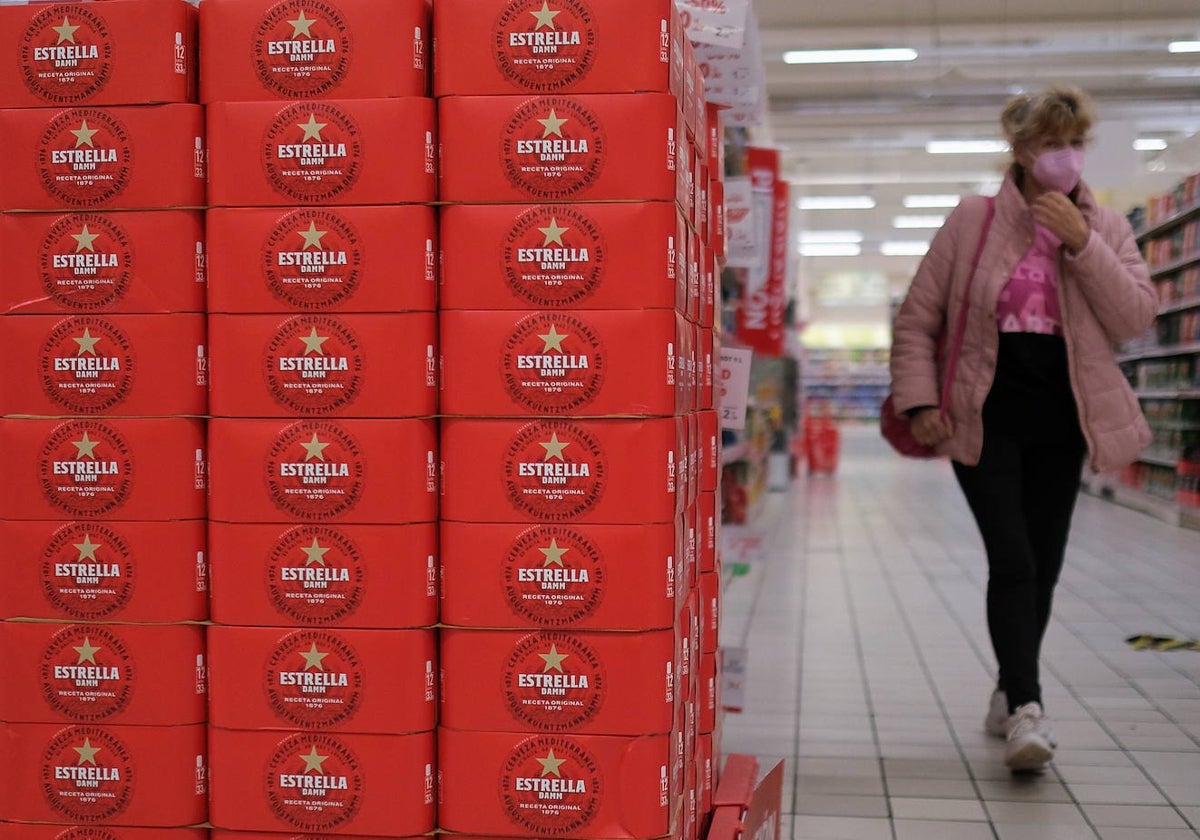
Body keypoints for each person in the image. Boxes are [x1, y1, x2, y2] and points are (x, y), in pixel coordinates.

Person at [888, 85, 1156, 771]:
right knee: (1012, 560)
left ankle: (1009, 690)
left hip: (1064, 417)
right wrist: (920, 402)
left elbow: (1133, 318)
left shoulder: (1110, 228)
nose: (1063, 157)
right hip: (985, 413)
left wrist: (1082, 243)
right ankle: (1029, 710)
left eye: (1074, 143)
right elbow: (919, 319)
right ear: (1021, 150)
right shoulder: (973, 221)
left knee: (1044, 567)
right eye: (1049, 144)